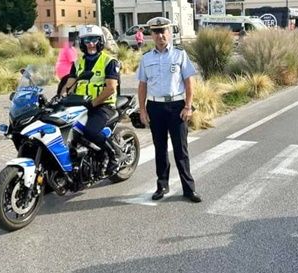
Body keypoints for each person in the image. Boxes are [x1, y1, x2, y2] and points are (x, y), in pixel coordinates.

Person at [136, 17, 201, 203]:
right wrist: (142, 110)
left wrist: (188, 106)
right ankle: (162, 185)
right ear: (151, 35)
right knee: (160, 149)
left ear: (169, 33)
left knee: (181, 149)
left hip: (176, 106)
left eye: (163, 31)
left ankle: (189, 189)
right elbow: (142, 85)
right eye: (156, 32)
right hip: (155, 107)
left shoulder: (180, 55)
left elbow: (189, 82)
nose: (160, 35)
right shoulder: (146, 58)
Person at [62, 25, 122, 176]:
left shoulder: (109, 62)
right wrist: (62, 96)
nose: (91, 43)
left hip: (103, 105)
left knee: (90, 131)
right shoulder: (77, 63)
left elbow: (110, 88)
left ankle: (114, 154)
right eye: (87, 40)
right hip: (81, 105)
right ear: (82, 42)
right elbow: (69, 84)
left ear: (100, 41)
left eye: (94, 39)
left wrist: (93, 103)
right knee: (67, 130)